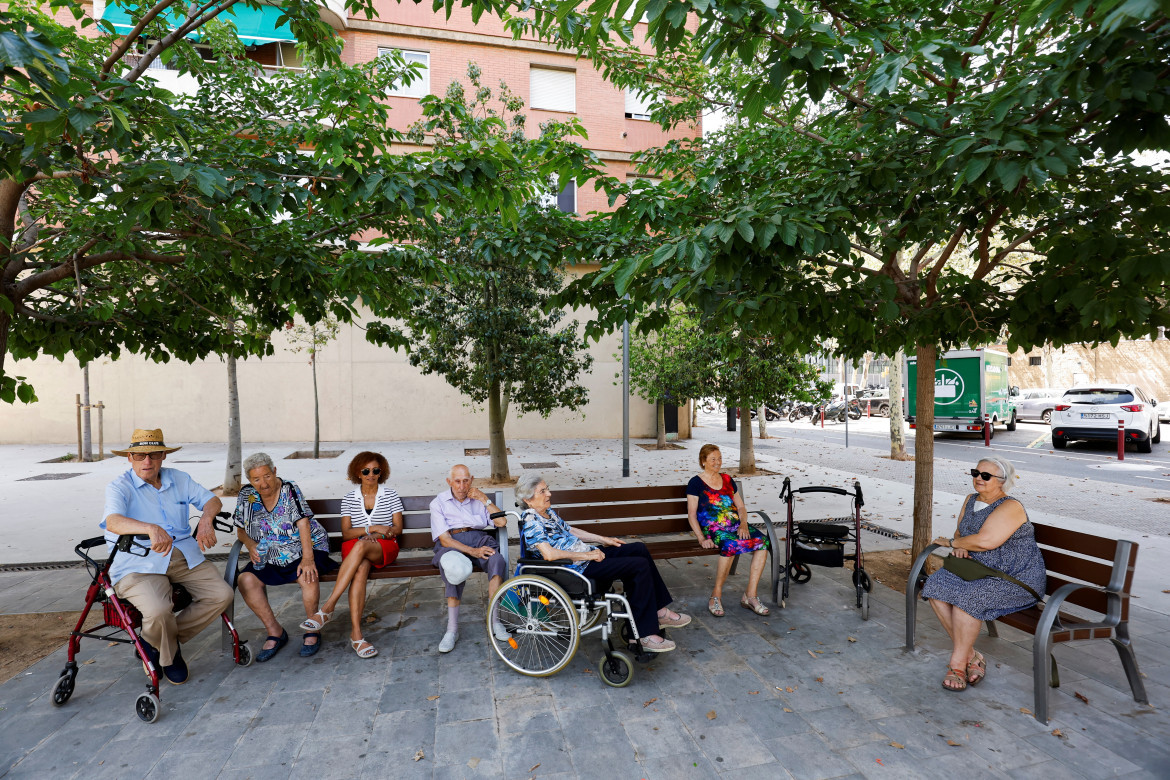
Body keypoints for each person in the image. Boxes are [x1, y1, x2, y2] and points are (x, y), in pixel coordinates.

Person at [101, 428, 234, 684]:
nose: (147, 462)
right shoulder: (120, 486)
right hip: (139, 562)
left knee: (222, 595)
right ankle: (169, 654)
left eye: (153, 455)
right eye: (139, 456)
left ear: (163, 456)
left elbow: (212, 500)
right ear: (129, 457)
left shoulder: (178, 478)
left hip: (183, 555)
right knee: (159, 610)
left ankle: (158, 643)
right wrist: (150, 528)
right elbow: (113, 521)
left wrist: (207, 519)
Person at [517, 473, 690, 653]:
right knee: (638, 566)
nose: (549, 494)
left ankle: (658, 612)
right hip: (575, 570)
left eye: (547, 488)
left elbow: (571, 531)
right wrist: (587, 556)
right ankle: (642, 634)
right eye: (542, 491)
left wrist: (603, 539)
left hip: (586, 557)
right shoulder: (531, 521)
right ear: (528, 500)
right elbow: (549, 554)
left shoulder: (547, 513)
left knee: (639, 549)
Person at [922, 456, 1046, 691]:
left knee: (966, 600)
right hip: (979, 569)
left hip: (1014, 577)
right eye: (975, 473)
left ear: (1002, 481)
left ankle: (957, 664)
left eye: (986, 476)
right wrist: (959, 544)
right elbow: (962, 530)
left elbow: (987, 541)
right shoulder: (971, 500)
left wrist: (952, 542)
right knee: (935, 587)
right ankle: (972, 656)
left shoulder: (1010, 506)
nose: (978, 478)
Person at [232, 453, 338, 661]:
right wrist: (251, 544)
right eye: (256, 479)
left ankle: (312, 628)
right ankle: (275, 632)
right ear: (249, 480)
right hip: (270, 552)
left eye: (266, 476)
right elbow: (241, 531)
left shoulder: (289, 489)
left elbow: (303, 523)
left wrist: (308, 559)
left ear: (274, 472)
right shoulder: (246, 495)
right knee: (246, 579)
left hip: (306, 546)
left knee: (306, 574)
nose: (263, 483)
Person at [302, 451, 404, 658]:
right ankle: (357, 635)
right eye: (366, 471)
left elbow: (397, 528)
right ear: (357, 473)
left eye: (376, 470)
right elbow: (346, 533)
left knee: (360, 547)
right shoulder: (349, 499)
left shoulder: (390, 495)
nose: (371, 474)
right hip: (356, 550)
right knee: (360, 568)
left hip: (384, 547)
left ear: (381, 472)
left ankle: (328, 607)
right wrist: (372, 529)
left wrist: (374, 535)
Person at [429, 464, 509, 653]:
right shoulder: (439, 502)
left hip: (479, 539)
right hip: (453, 544)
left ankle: (495, 621)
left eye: (466, 481)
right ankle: (452, 630)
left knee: (497, 561)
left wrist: (484, 499)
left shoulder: (478, 499)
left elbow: (502, 522)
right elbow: (445, 539)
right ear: (449, 482)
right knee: (453, 570)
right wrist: (472, 552)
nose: (462, 486)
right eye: (457, 481)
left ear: (471, 480)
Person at [686, 444, 772, 617]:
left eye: (719, 458)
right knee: (731, 545)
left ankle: (750, 595)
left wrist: (743, 524)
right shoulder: (695, 483)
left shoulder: (727, 479)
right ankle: (715, 596)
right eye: (713, 459)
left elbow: (741, 507)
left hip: (735, 525)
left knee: (763, 542)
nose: (717, 462)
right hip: (714, 528)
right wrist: (701, 538)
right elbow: (692, 515)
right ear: (703, 462)